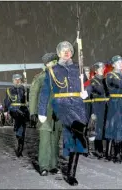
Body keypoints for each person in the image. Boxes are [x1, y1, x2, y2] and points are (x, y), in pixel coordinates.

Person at [38, 41, 90, 186]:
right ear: (59, 53)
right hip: (61, 105)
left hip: (78, 104)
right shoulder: (52, 70)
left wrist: (86, 92)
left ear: (72, 53)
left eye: (69, 50)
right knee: (76, 128)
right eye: (63, 50)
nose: (66, 52)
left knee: (73, 139)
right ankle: (81, 133)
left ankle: (71, 174)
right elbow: (45, 92)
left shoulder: (78, 69)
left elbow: (87, 85)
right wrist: (42, 111)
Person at [29, 52, 62, 176]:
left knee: (55, 140)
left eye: (55, 62)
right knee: (45, 140)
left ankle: (53, 165)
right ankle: (43, 166)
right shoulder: (41, 77)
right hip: (44, 113)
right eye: (52, 62)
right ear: (47, 64)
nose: (54, 64)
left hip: (57, 113)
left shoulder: (61, 78)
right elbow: (33, 94)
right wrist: (33, 112)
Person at [4, 74, 30, 157]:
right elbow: (7, 102)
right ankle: (19, 139)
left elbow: (29, 100)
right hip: (14, 110)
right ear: (13, 81)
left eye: (19, 79)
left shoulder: (25, 89)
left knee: (22, 129)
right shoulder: (9, 90)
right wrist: (5, 111)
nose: (17, 81)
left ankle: (20, 145)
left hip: (23, 110)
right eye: (16, 79)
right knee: (19, 122)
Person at [89, 62, 109, 158]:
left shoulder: (105, 80)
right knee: (98, 128)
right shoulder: (94, 81)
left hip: (105, 106)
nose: (102, 69)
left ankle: (105, 150)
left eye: (102, 68)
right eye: (100, 68)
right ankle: (98, 150)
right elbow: (95, 94)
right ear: (96, 70)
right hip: (97, 106)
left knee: (105, 127)